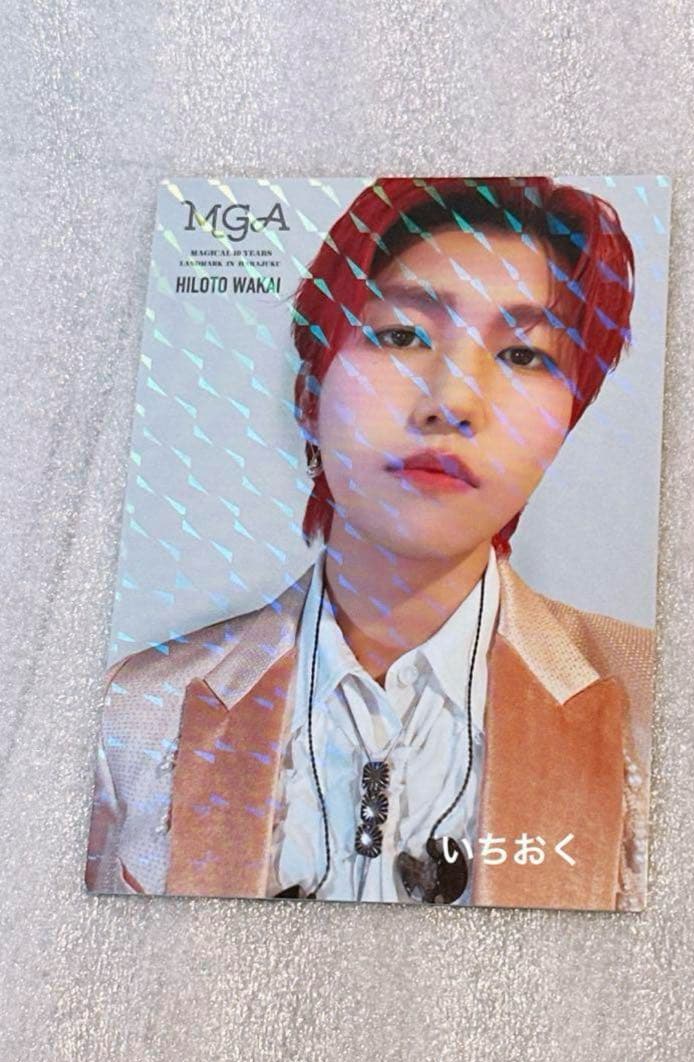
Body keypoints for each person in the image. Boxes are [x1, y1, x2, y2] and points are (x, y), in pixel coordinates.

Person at [85, 176, 653, 911]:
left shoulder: (654, 701)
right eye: (401, 336)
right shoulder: (136, 710)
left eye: (522, 355)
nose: (452, 401)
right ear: (309, 396)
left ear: (565, 422)